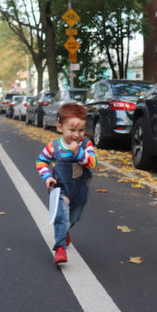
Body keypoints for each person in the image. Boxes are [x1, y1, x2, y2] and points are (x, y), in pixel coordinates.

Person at [36, 102, 97, 264]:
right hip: (60, 187)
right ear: (59, 127)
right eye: (72, 130)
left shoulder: (86, 144)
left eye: (81, 130)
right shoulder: (54, 147)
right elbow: (41, 162)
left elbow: (92, 163)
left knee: (74, 216)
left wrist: (78, 152)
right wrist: (47, 177)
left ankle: (65, 230)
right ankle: (60, 248)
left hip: (80, 189)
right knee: (61, 215)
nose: (77, 135)